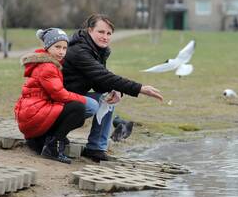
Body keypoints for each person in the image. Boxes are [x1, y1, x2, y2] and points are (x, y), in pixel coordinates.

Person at [63, 14, 163, 162]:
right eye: (101, 32)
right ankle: (53, 136)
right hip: (59, 100)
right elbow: (104, 76)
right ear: (90, 30)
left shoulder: (97, 49)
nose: (105, 37)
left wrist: (112, 90)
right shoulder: (79, 51)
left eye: (109, 33)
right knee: (92, 105)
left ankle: (96, 148)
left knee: (107, 99)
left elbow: (99, 80)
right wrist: (140, 88)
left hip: (73, 96)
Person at [14, 28, 88, 164]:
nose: (61, 51)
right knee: (78, 109)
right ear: (47, 47)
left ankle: (44, 140)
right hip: (33, 117)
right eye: (57, 47)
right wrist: (84, 99)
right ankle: (52, 147)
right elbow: (60, 95)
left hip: (31, 116)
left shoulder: (48, 63)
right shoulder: (48, 66)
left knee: (75, 108)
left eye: (65, 48)